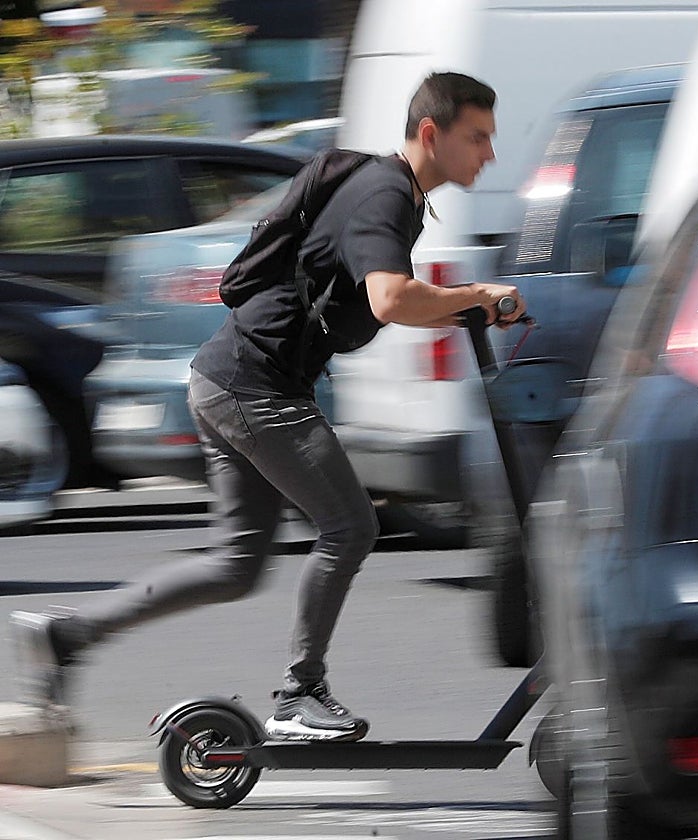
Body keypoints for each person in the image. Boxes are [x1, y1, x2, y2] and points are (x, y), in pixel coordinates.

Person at [10, 71, 525, 742]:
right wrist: (474, 292)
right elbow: (390, 299)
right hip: (258, 387)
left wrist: (469, 308)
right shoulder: (387, 194)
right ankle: (299, 695)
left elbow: (386, 300)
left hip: (226, 378)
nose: (489, 154)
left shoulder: (383, 187)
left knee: (235, 565)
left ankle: (66, 634)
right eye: (477, 137)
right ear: (432, 134)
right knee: (351, 527)